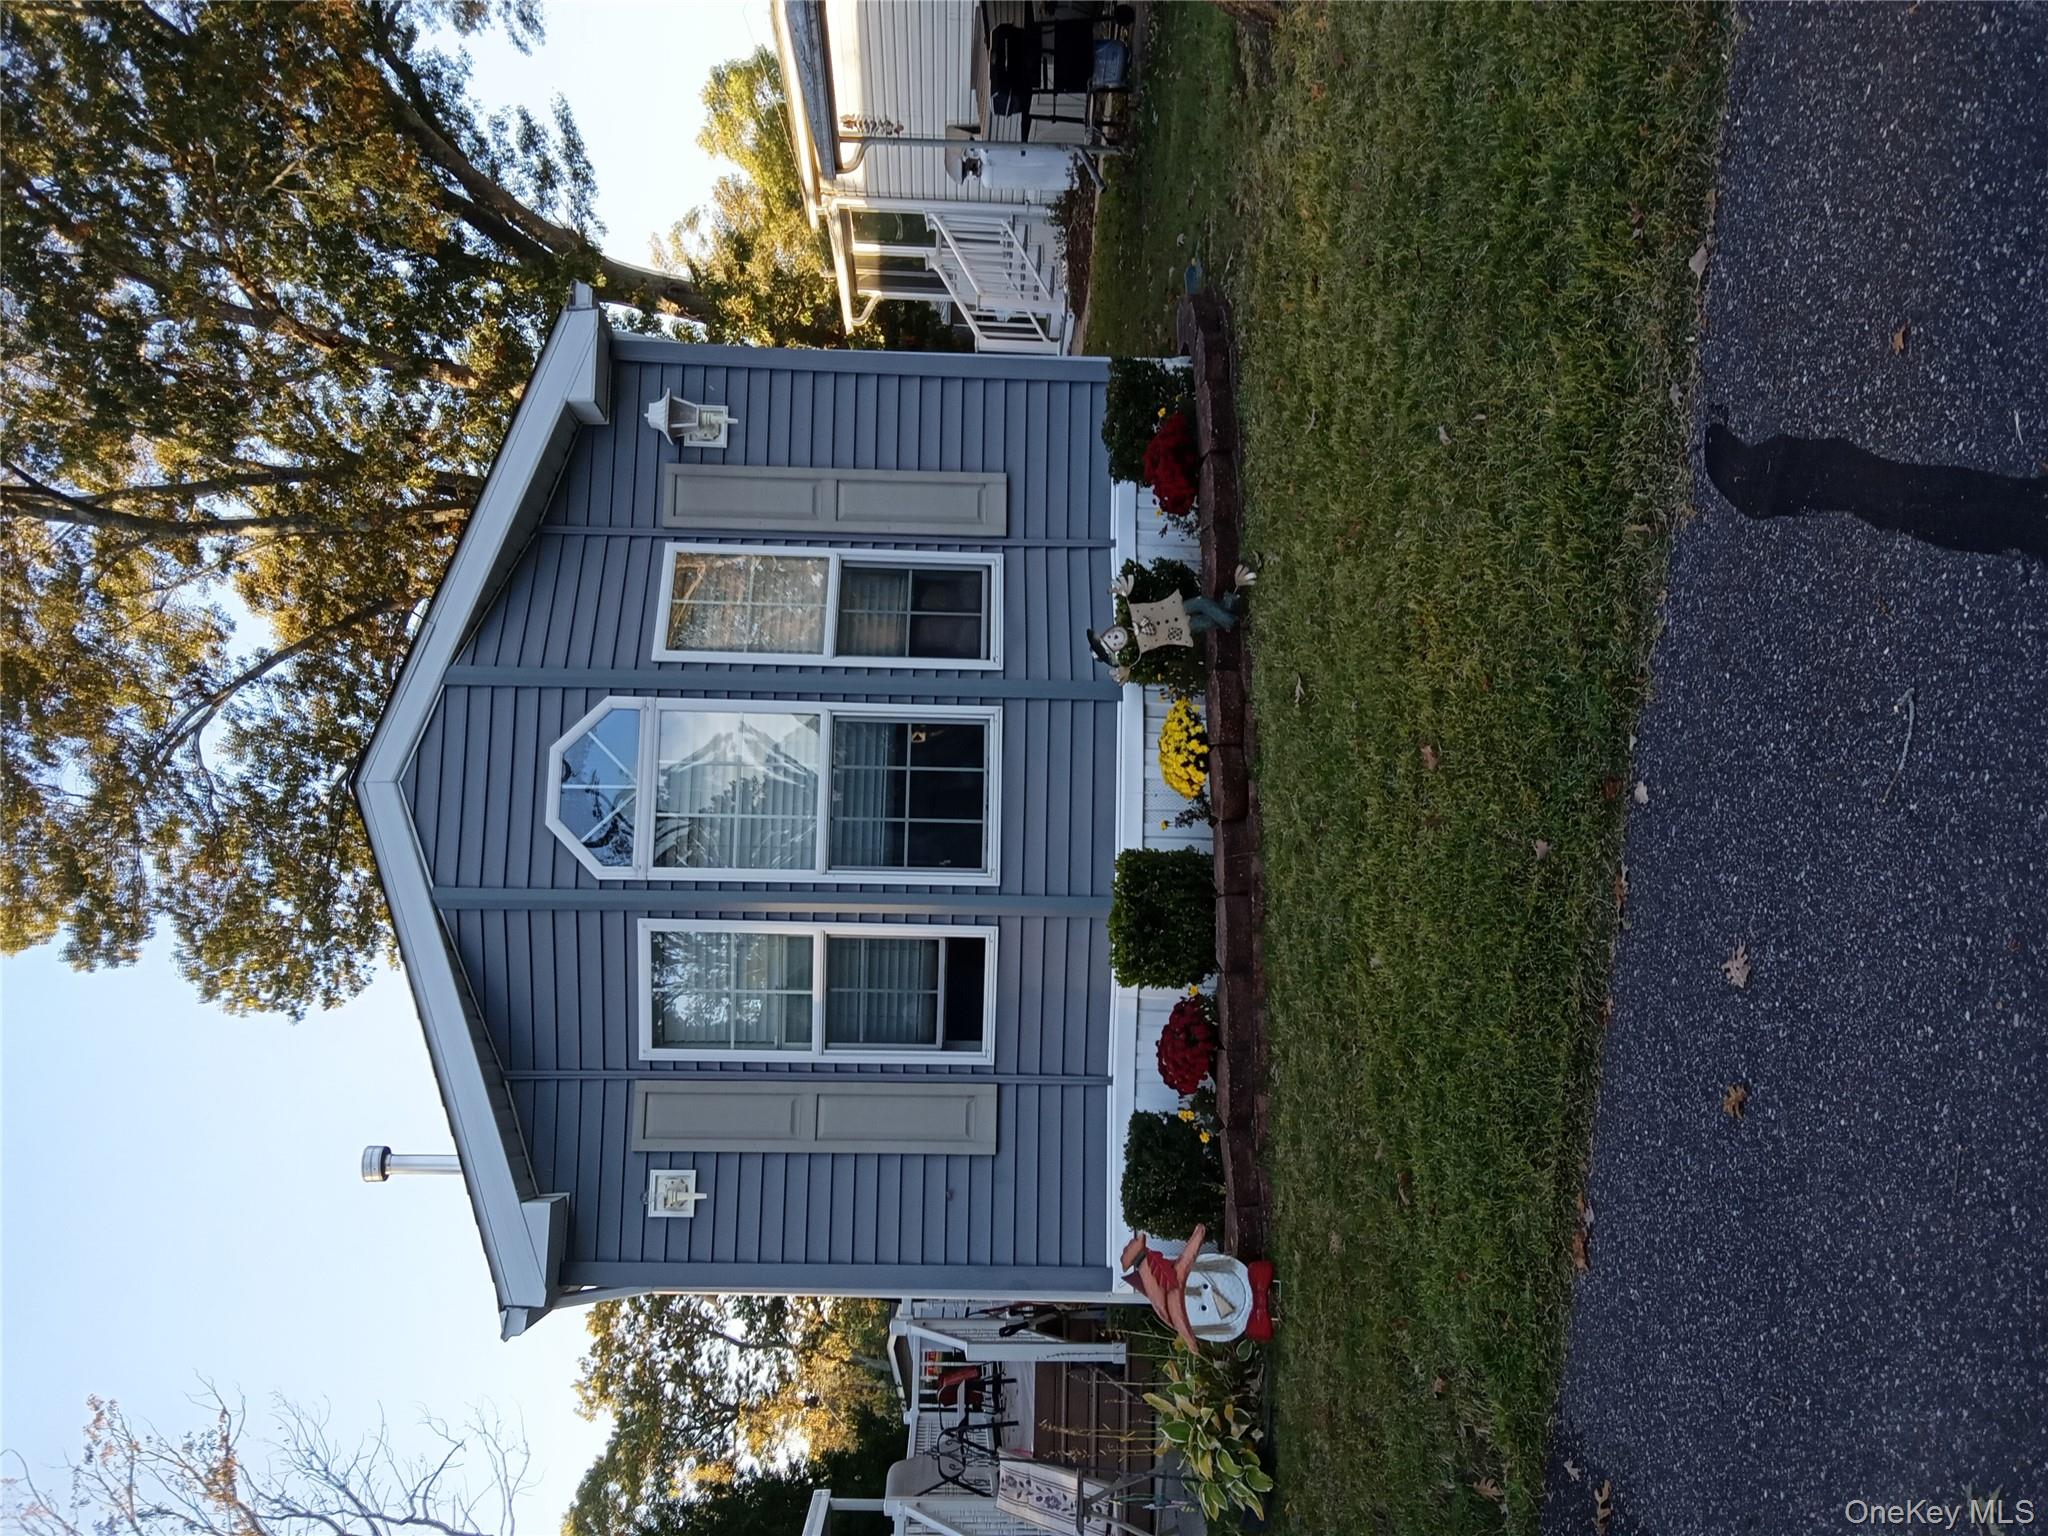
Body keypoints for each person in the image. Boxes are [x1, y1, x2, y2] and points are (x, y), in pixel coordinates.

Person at [1119, 1225, 1209, 1352]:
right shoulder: (1148, 1272)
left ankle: (1193, 1344)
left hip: (1172, 1295)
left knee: (1185, 1263)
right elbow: (1165, 1304)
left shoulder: (1149, 1265)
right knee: (1184, 1264)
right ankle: (1193, 1344)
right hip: (1171, 1300)